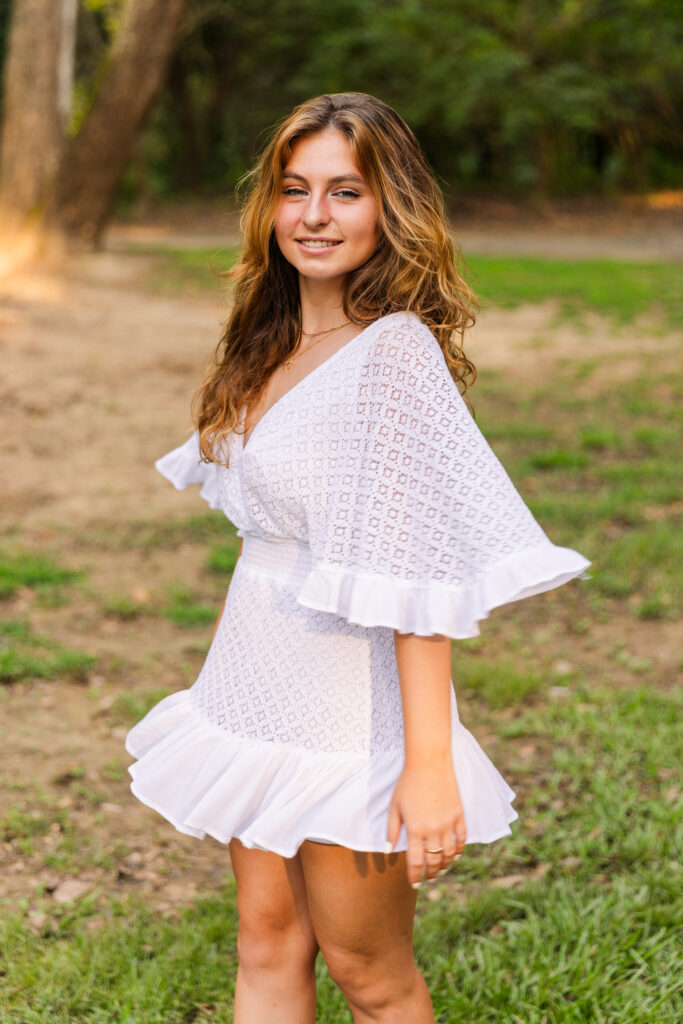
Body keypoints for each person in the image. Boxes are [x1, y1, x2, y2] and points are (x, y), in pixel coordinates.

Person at [125, 92, 590, 1023]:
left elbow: (413, 577)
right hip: (251, 688)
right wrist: (224, 691)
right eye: (295, 190)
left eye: (345, 192)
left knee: (367, 973)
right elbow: (262, 548)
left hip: (350, 713)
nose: (313, 216)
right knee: (265, 940)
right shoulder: (266, 340)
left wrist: (426, 767)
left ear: (390, 207)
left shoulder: (393, 357)